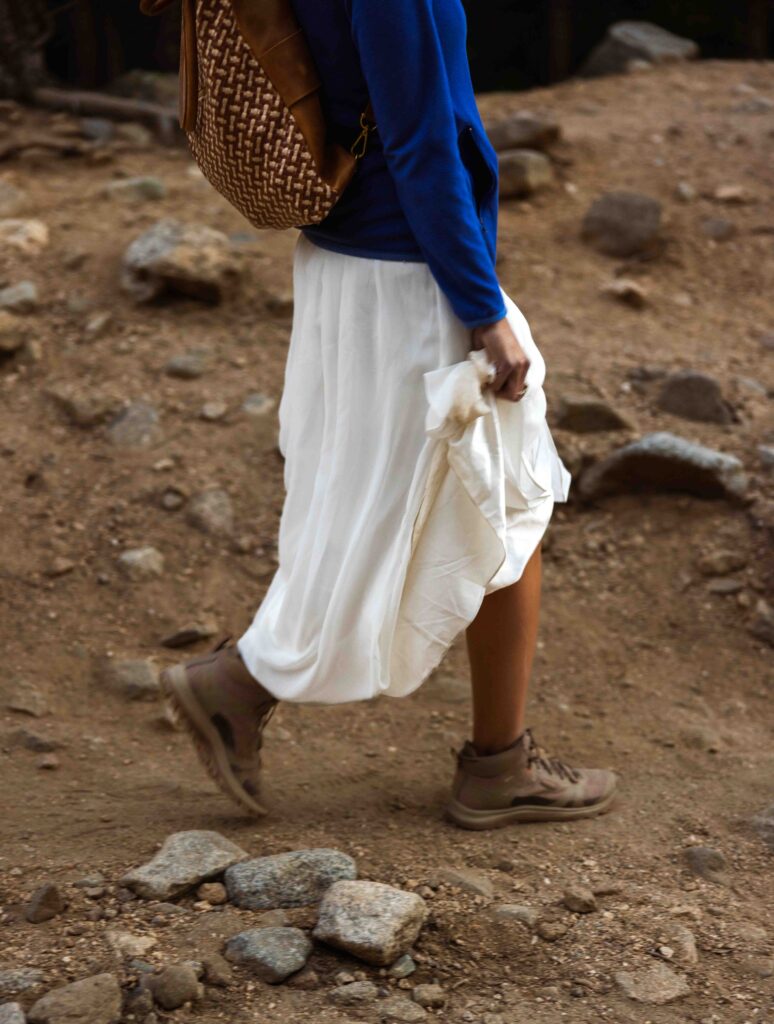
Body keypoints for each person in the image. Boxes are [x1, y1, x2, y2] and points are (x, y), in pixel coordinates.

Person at [161, 0, 618, 830]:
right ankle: (252, 687)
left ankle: (493, 757)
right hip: (410, 274)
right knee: (487, 504)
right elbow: (419, 136)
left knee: (415, 503)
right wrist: (483, 307)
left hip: (354, 258)